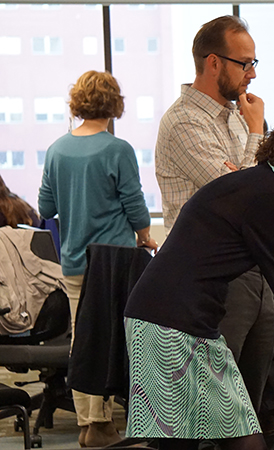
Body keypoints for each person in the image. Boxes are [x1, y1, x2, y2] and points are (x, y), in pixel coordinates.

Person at [124, 112, 274, 450]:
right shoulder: (271, 195)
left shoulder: (261, 183)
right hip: (170, 322)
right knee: (219, 442)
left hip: (175, 317)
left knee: (227, 436)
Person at [155, 15, 274, 413]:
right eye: (245, 63)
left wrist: (254, 133)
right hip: (208, 281)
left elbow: (265, 184)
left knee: (250, 410)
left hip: (253, 273)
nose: (252, 74)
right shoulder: (183, 122)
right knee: (212, 412)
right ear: (213, 63)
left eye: (255, 62)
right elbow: (237, 195)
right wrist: (257, 132)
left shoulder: (236, 117)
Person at [38, 70, 157, 448]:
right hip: (115, 261)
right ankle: (110, 422)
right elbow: (135, 204)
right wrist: (144, 235)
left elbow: (46, 206)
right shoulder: (116, 149)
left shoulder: (57, 149)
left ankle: (90, 424)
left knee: (83, 339)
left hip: (74, 260)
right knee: (114, 339)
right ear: (114, 105)